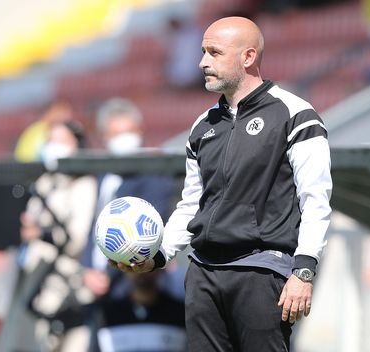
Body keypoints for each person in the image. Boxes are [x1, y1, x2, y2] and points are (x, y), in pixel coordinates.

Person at [111, 16, 333, 351]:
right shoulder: (202, 127)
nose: (202, 62)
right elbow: (191, 206)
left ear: (247, 57)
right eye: (202, 52)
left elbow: (316, 199)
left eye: (214, 53)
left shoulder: (296, 115)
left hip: (262, 272)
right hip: (202, 273)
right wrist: (156, 257)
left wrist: (303, 270)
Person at [80, 97, 179, 348]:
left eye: (128, 132)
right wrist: (87, 270)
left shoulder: (153, 174)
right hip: (96, 290)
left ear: (140, 131)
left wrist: (108, 274)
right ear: (104, 137)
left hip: (133, 283)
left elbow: (144, 234)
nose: (124, 139)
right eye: (116, 133)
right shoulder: (103, 174)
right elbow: (93, 227)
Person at [16, 120, 98, 351]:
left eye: (62, 141)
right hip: (39, 285)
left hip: (70, 285)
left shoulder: (83, 184)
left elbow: (76, 239)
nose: (54, 146)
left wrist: (41, 233)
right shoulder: (43, 182)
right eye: (51, 140)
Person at [97, 271, 186, 352]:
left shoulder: (180, 313)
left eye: (147, 261)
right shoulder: (105, 314)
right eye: (131, 262)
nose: (140, 269)